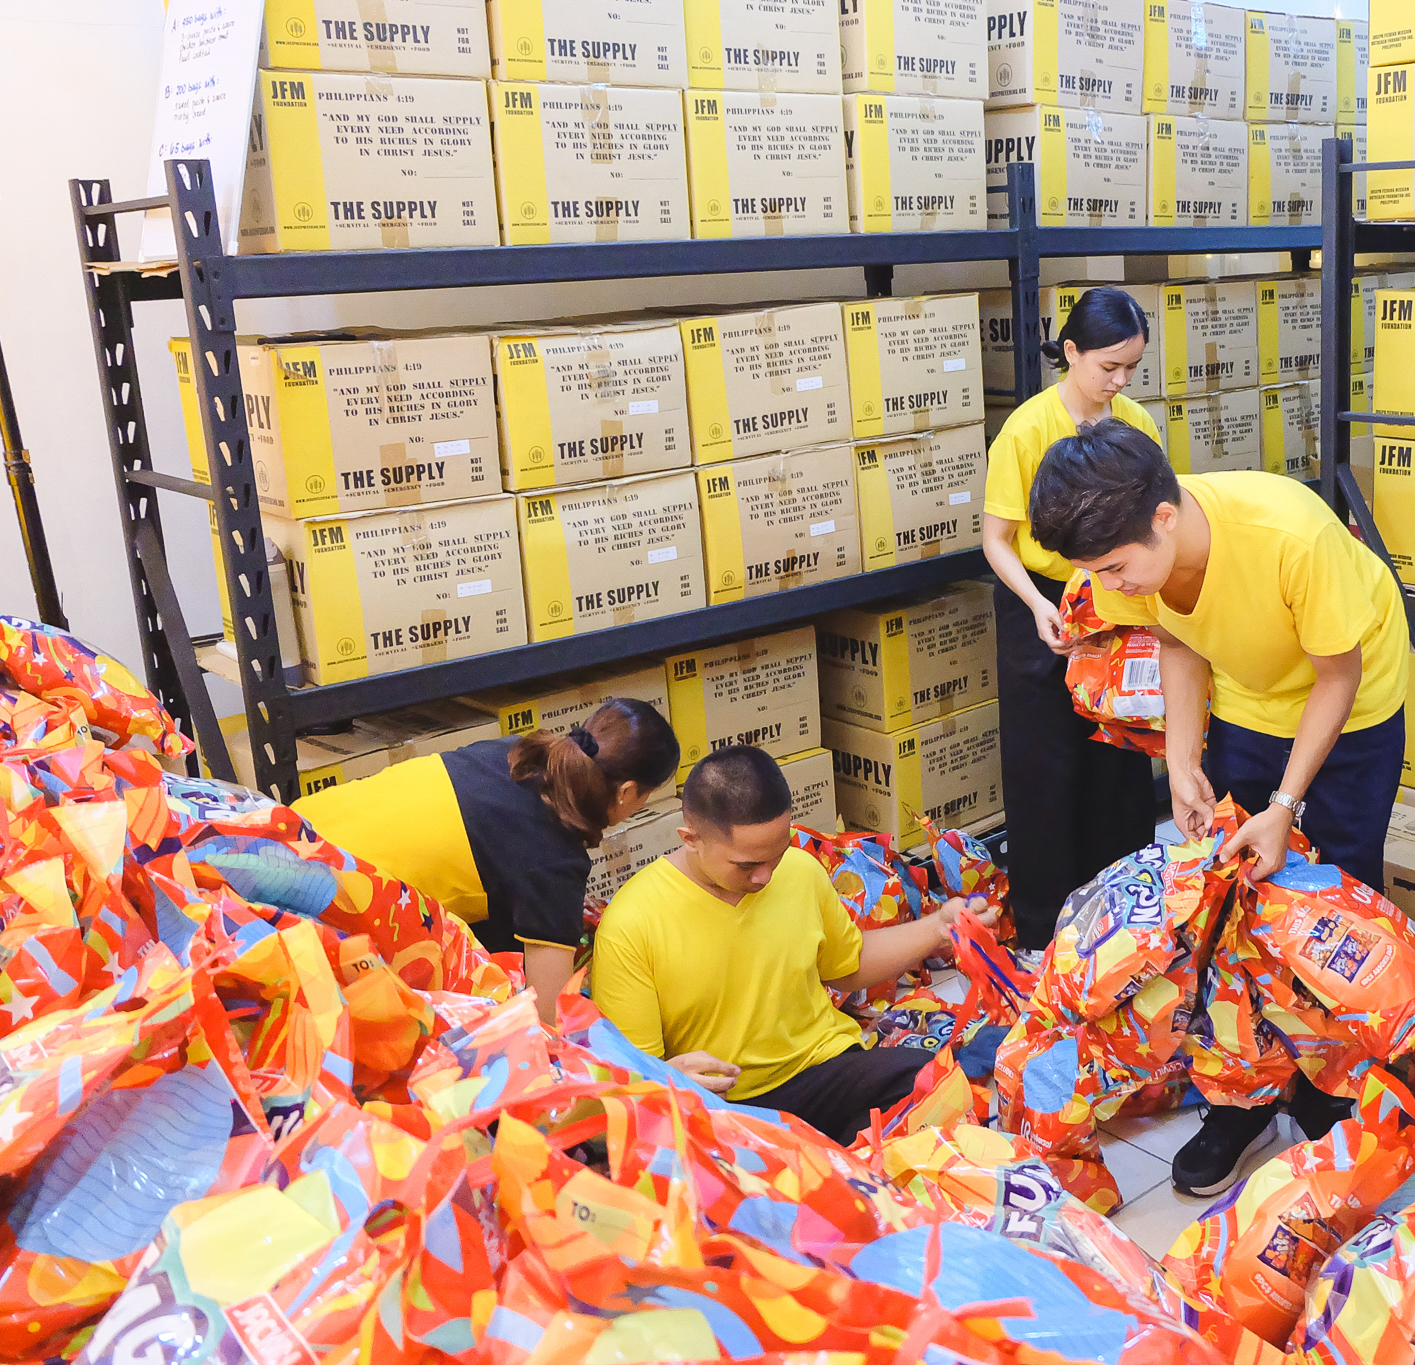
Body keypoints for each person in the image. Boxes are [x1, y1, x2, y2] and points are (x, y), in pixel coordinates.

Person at [1028, 421, 1414, 1194]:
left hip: (1350, 707)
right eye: (1095, 572)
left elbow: (1337, 676)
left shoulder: (1290, 536)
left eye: (1114, 567)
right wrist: (1180, 761)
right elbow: (1177, 641)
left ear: (1164, 517)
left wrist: (1286, 804)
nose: (1110, 587)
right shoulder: (1129, 559)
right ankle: (1244, 1097)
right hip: (1249, 701)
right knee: (1233, 899)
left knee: (1334, 901)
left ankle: (1334, 1085)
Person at [590, 745, 1001, 1143]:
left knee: (929, 1080)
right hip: (726, 1106)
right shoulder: (632, 923)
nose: (765, 877)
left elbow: (848, 966)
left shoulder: (801, 870)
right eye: (747, 865)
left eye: (777, 855)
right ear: (690, 838)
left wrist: (938, 927)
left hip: (820, 1069)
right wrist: (668, 1078)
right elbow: (627, 1077)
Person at [292, 697, 680, 1025]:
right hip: (305, 907)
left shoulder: (517, 753)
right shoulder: (554, 859)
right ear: (627, 792)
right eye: (646, 797)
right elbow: (547, 1018)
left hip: (286, 828)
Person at [982, 287, 1162, 952]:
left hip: (1119, 595)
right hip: (1042, 598)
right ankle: (1043, 929)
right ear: (1071, 351)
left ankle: (1124, 918)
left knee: (1120, 753)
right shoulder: (1027, 429)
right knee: (1044, 765)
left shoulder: (1136, 423)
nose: (1120, 382)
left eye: (1132, 368)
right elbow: (997, 539)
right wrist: (1037, 606)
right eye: (1109, 366)